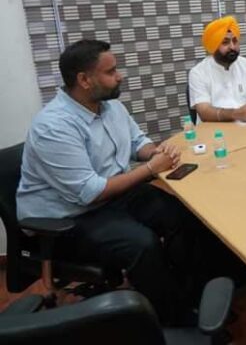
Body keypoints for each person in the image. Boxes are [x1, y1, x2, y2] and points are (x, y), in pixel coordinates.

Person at [17, 40, 227, 325]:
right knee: (141, 244)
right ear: (84, 80)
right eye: (111, 71)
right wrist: (151, 168)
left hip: (112, 196)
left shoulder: (110, 107)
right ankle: (173, 321)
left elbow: (138, 143)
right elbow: (89, 192)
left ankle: (194, 297)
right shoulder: (53, 127)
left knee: (183, 215)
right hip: (67, 219)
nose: (120, 76)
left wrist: (155, 152)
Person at [189, 15, 246, 122]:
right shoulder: (198, 72)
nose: (232, 47)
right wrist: (235, 114)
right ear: (213, 46)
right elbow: (204, 111)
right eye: (225, 42)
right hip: (214, 129)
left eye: (235, 41)